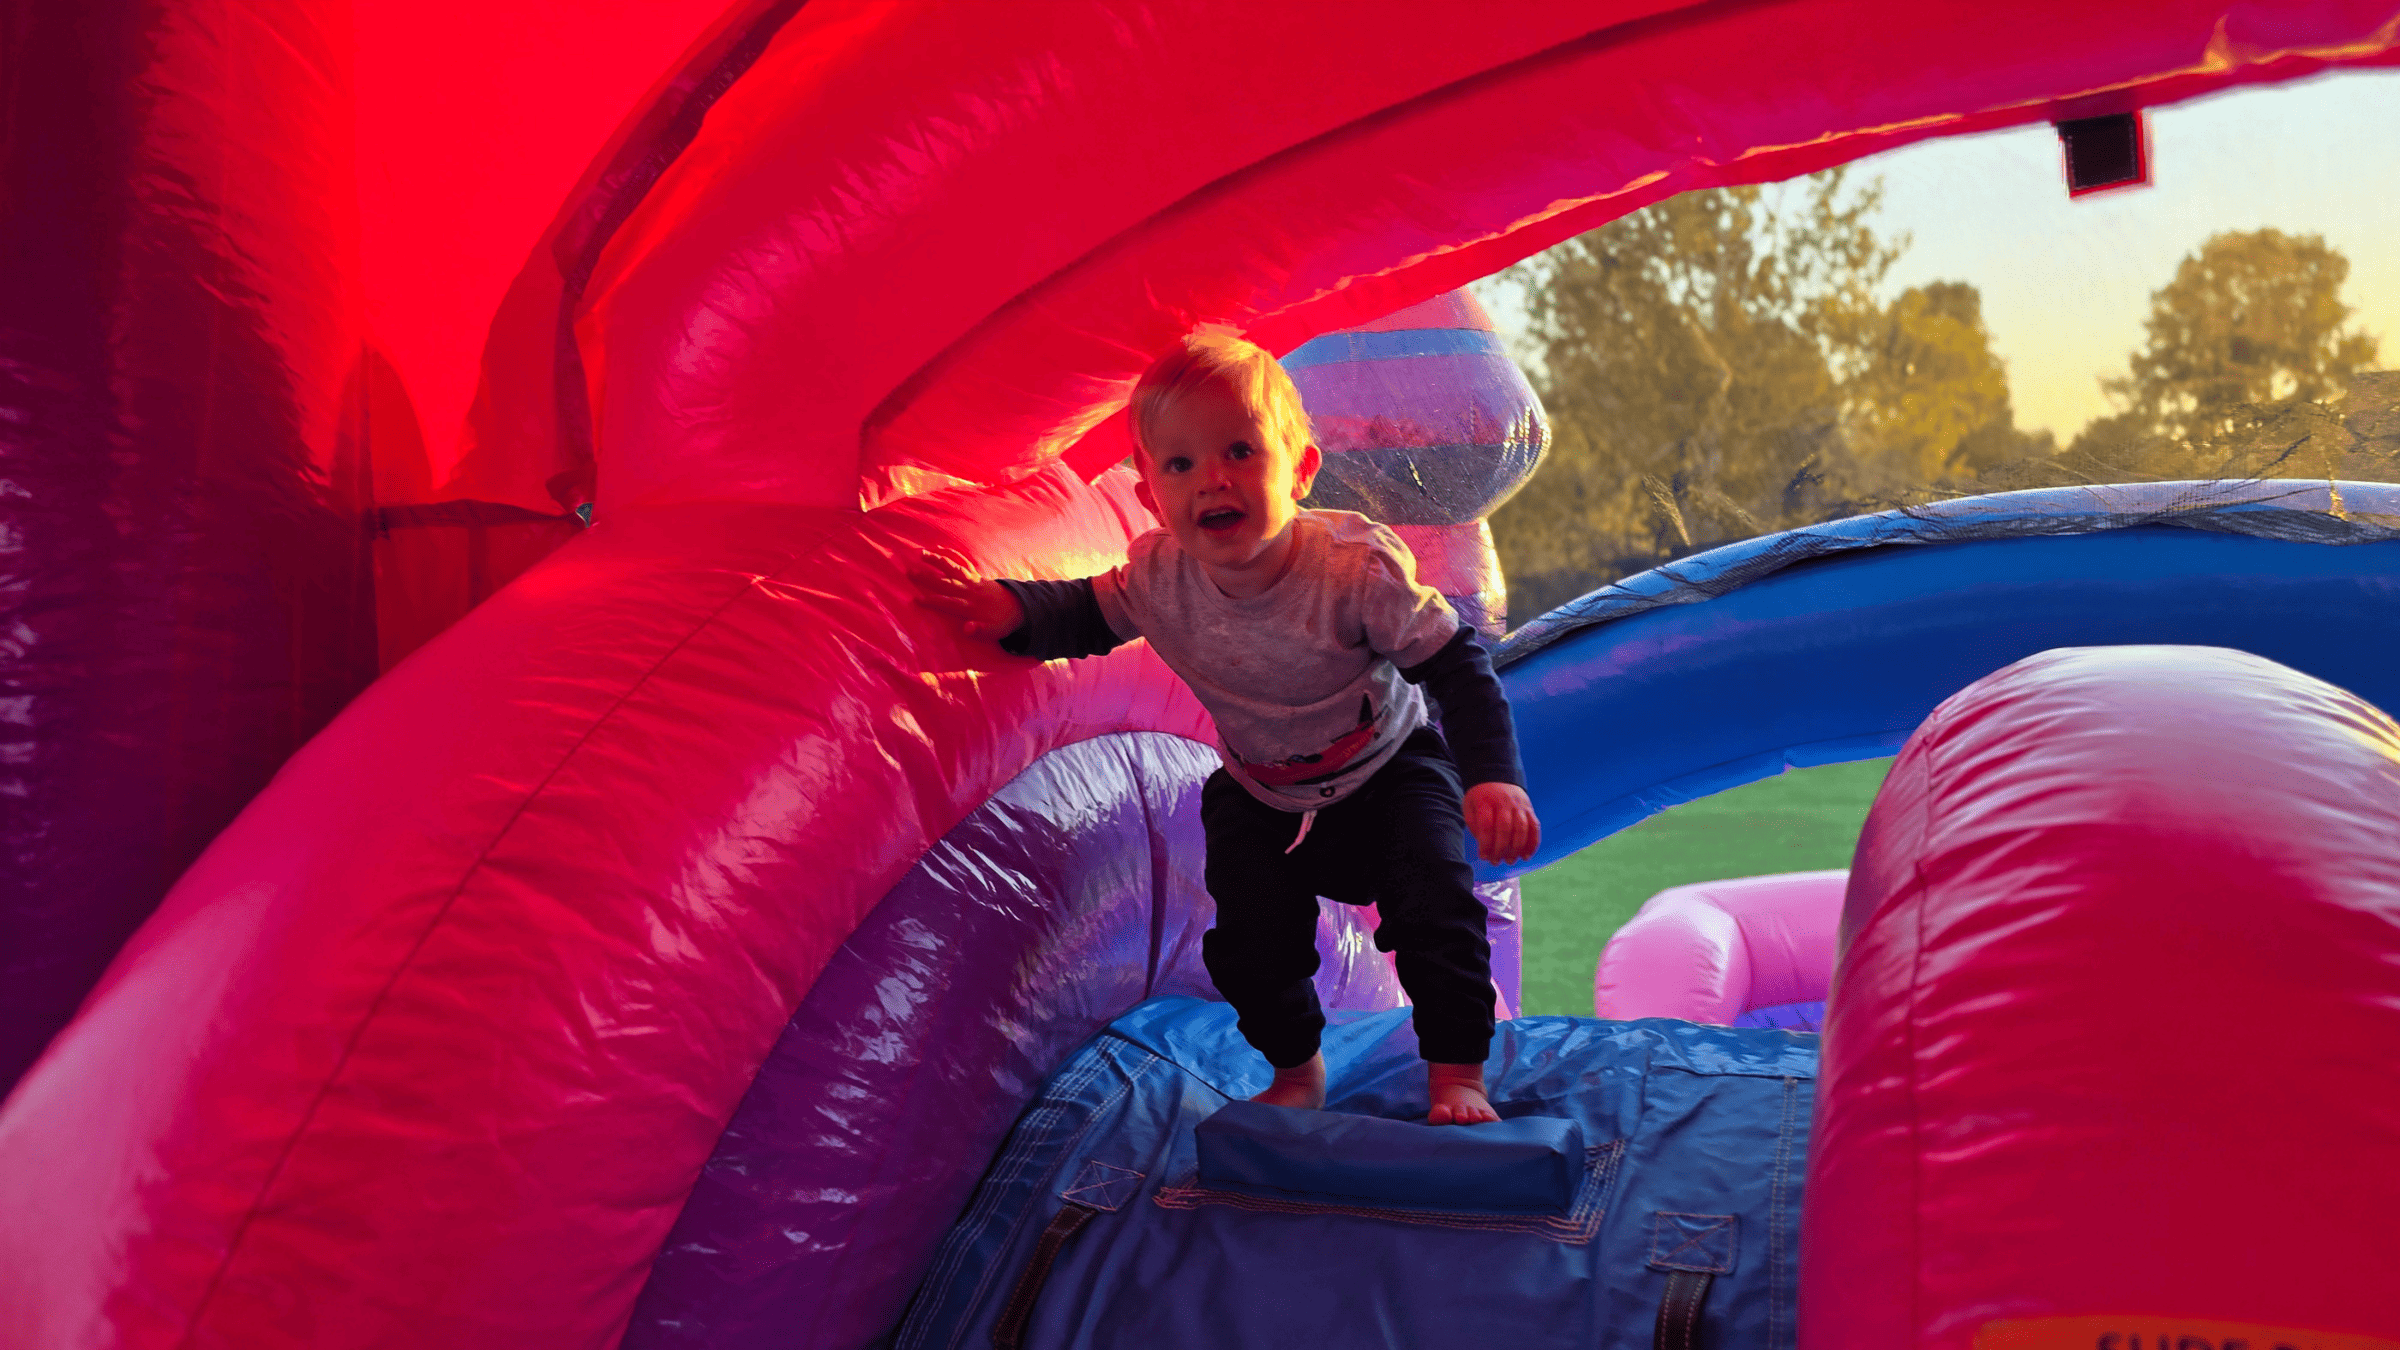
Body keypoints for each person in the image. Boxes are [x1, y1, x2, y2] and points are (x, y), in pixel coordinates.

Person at [913, 333, 1540, 1125]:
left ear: (1300, 469)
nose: (1213, 478)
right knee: (1249, 946)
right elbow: (1082, 616)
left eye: (1240, 451)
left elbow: (1455, 665)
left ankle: (1456, 1076)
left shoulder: (1354, 568)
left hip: (1388, 770)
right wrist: (1009, 611)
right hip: (1263, 788)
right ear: (1150, 496)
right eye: (1181, 465)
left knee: (1436, 911)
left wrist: (1492, 775)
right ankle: (1296, 1067)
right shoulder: (1157, 575)